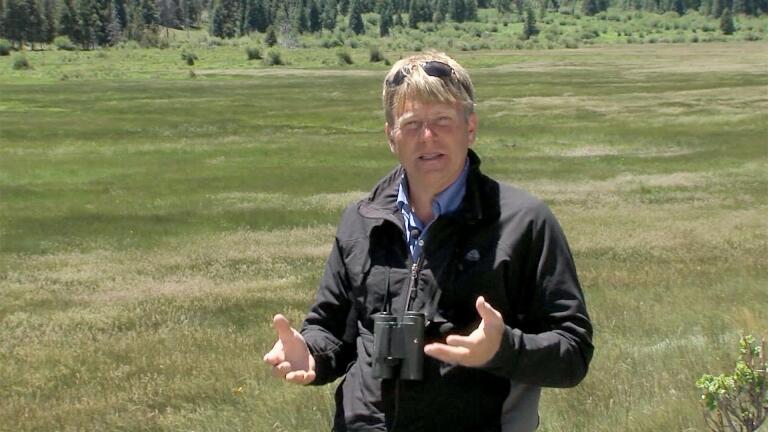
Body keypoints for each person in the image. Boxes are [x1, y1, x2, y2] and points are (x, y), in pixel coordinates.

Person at [263, 51, 593, 432]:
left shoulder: (524, 222)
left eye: (442, 121)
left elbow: (573, 352)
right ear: (391, 136)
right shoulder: (362, 220)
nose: (427, 137)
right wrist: (312, 353)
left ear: (470, 128)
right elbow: (333, 329)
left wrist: (502, 349)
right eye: (412, 123)